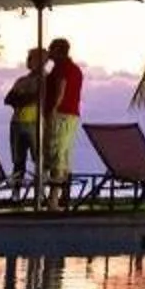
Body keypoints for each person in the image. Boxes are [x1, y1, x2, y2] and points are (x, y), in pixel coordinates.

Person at [41, 36, 86, 192]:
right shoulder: (68, 68)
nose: (49, 52)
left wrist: (53, 109)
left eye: (51, 49)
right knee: (63, 152)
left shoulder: (62, 67)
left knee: (56, 152)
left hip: (61, 114)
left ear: (58, 51)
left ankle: (54, 197)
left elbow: (61, 87)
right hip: (70, 115)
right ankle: (62, 196)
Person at [3, 48, 49, 186]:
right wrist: (24, 98)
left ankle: (40, 192)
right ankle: (16, 192)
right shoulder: (22, 80)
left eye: (31, 58)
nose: (27, 61)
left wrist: (21, 97)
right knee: (18, 161)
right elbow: (8, 99)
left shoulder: (45, 79)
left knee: (39, 159)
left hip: (35, 123)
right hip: (17, 123)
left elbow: (37, 97)